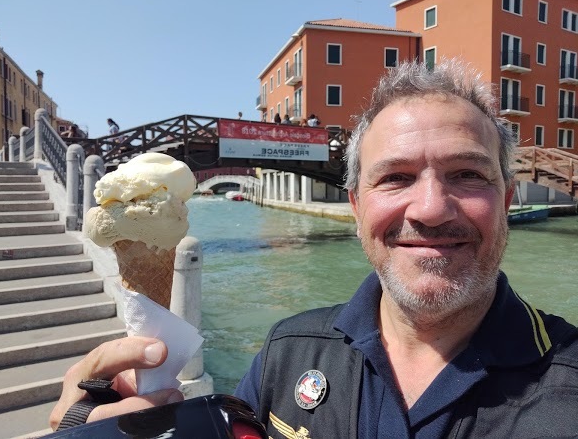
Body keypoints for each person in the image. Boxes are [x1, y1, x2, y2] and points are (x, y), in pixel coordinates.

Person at [49, 60, 578, 437]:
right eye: (395, 178)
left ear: (506, 199)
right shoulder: (288, 350)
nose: (431, 208)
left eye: (466, 174)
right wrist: (101, 429)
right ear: (356, 206)